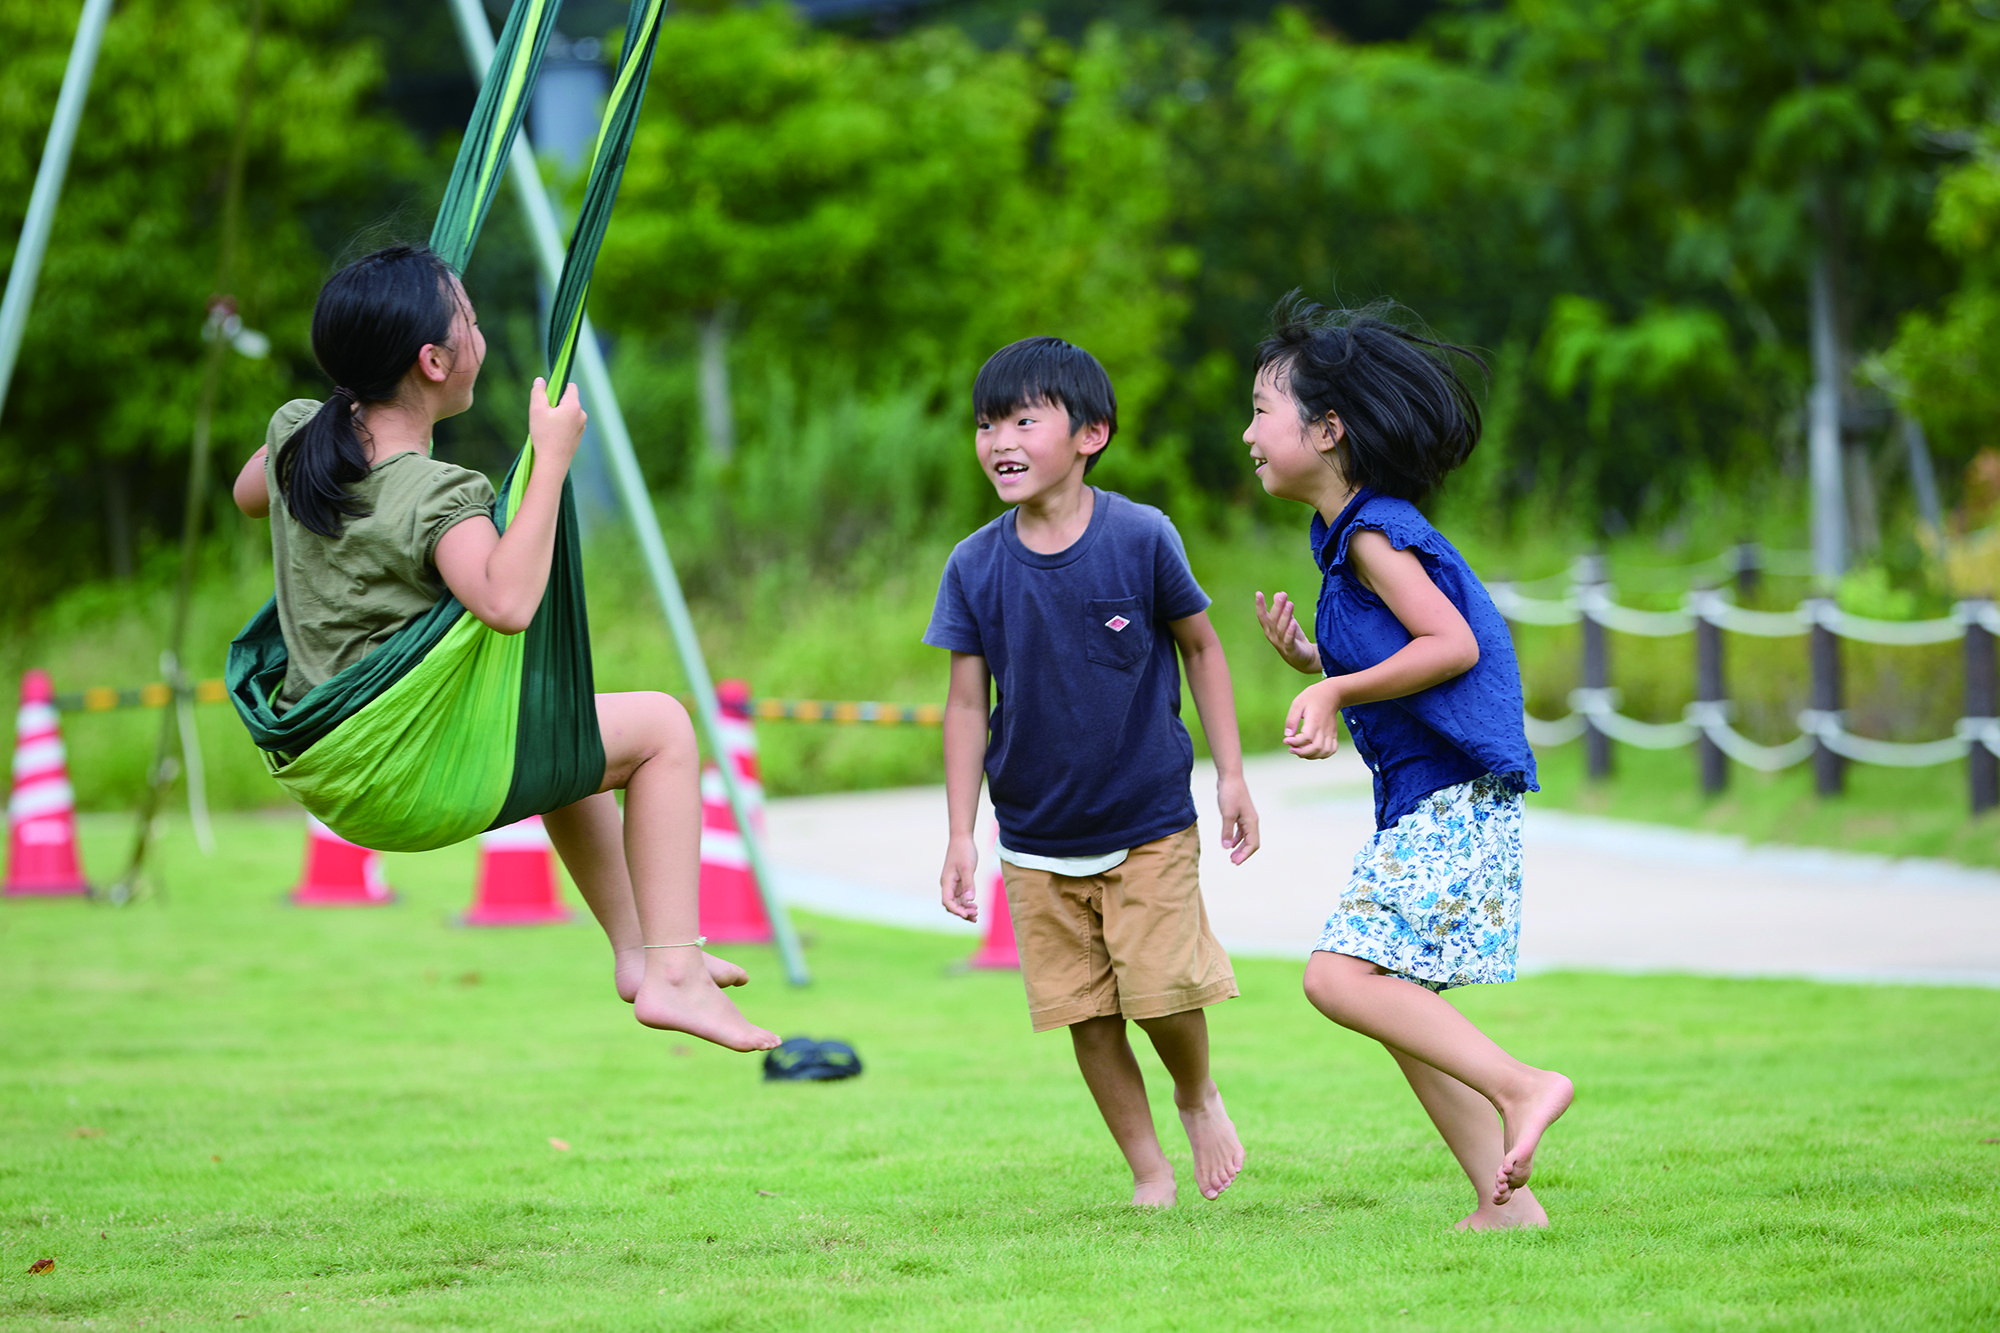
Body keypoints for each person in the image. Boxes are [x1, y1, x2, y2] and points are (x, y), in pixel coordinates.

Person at [231, 243, 778, 1055]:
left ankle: (640, 956)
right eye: (473, 323)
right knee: (664, 728)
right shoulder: (434, 494)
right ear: (434, 360)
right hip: (403, 774)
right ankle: (673, 970)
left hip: (329, 766)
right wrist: (550, 458)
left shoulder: (296, 438)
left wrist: (328, 421)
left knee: (561, 730)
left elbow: (249, 495)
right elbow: (508, 601)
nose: (481, 338)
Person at [1245, 295, 1573, 1230]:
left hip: (1454, 797)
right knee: (1391, 997)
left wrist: (1338, 691)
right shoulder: (1345, 539)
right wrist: (1319, 661)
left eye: (1264, 411)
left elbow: (1452, 644)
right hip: (1434, 802)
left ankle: (1524, 1083)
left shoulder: (1376, 532)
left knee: (1339, 978)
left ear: (1329, 426)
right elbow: (1410, 649)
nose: (1249, 433)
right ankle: (1504, 1207)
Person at [927, 336, 1262, 1206]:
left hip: (1147, 818)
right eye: (986, 422)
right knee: (1083, 1012)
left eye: (1023, 419)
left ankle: (1197, 1093)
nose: (999, 438)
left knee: (1158, 992)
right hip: (1035, 835)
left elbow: (1201, 646)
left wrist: (1231, 773)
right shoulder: (973, 564)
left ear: (1090, 433)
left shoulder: (1141, 537)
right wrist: (960, 835)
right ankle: (1148, 1171)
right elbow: (966, 705)